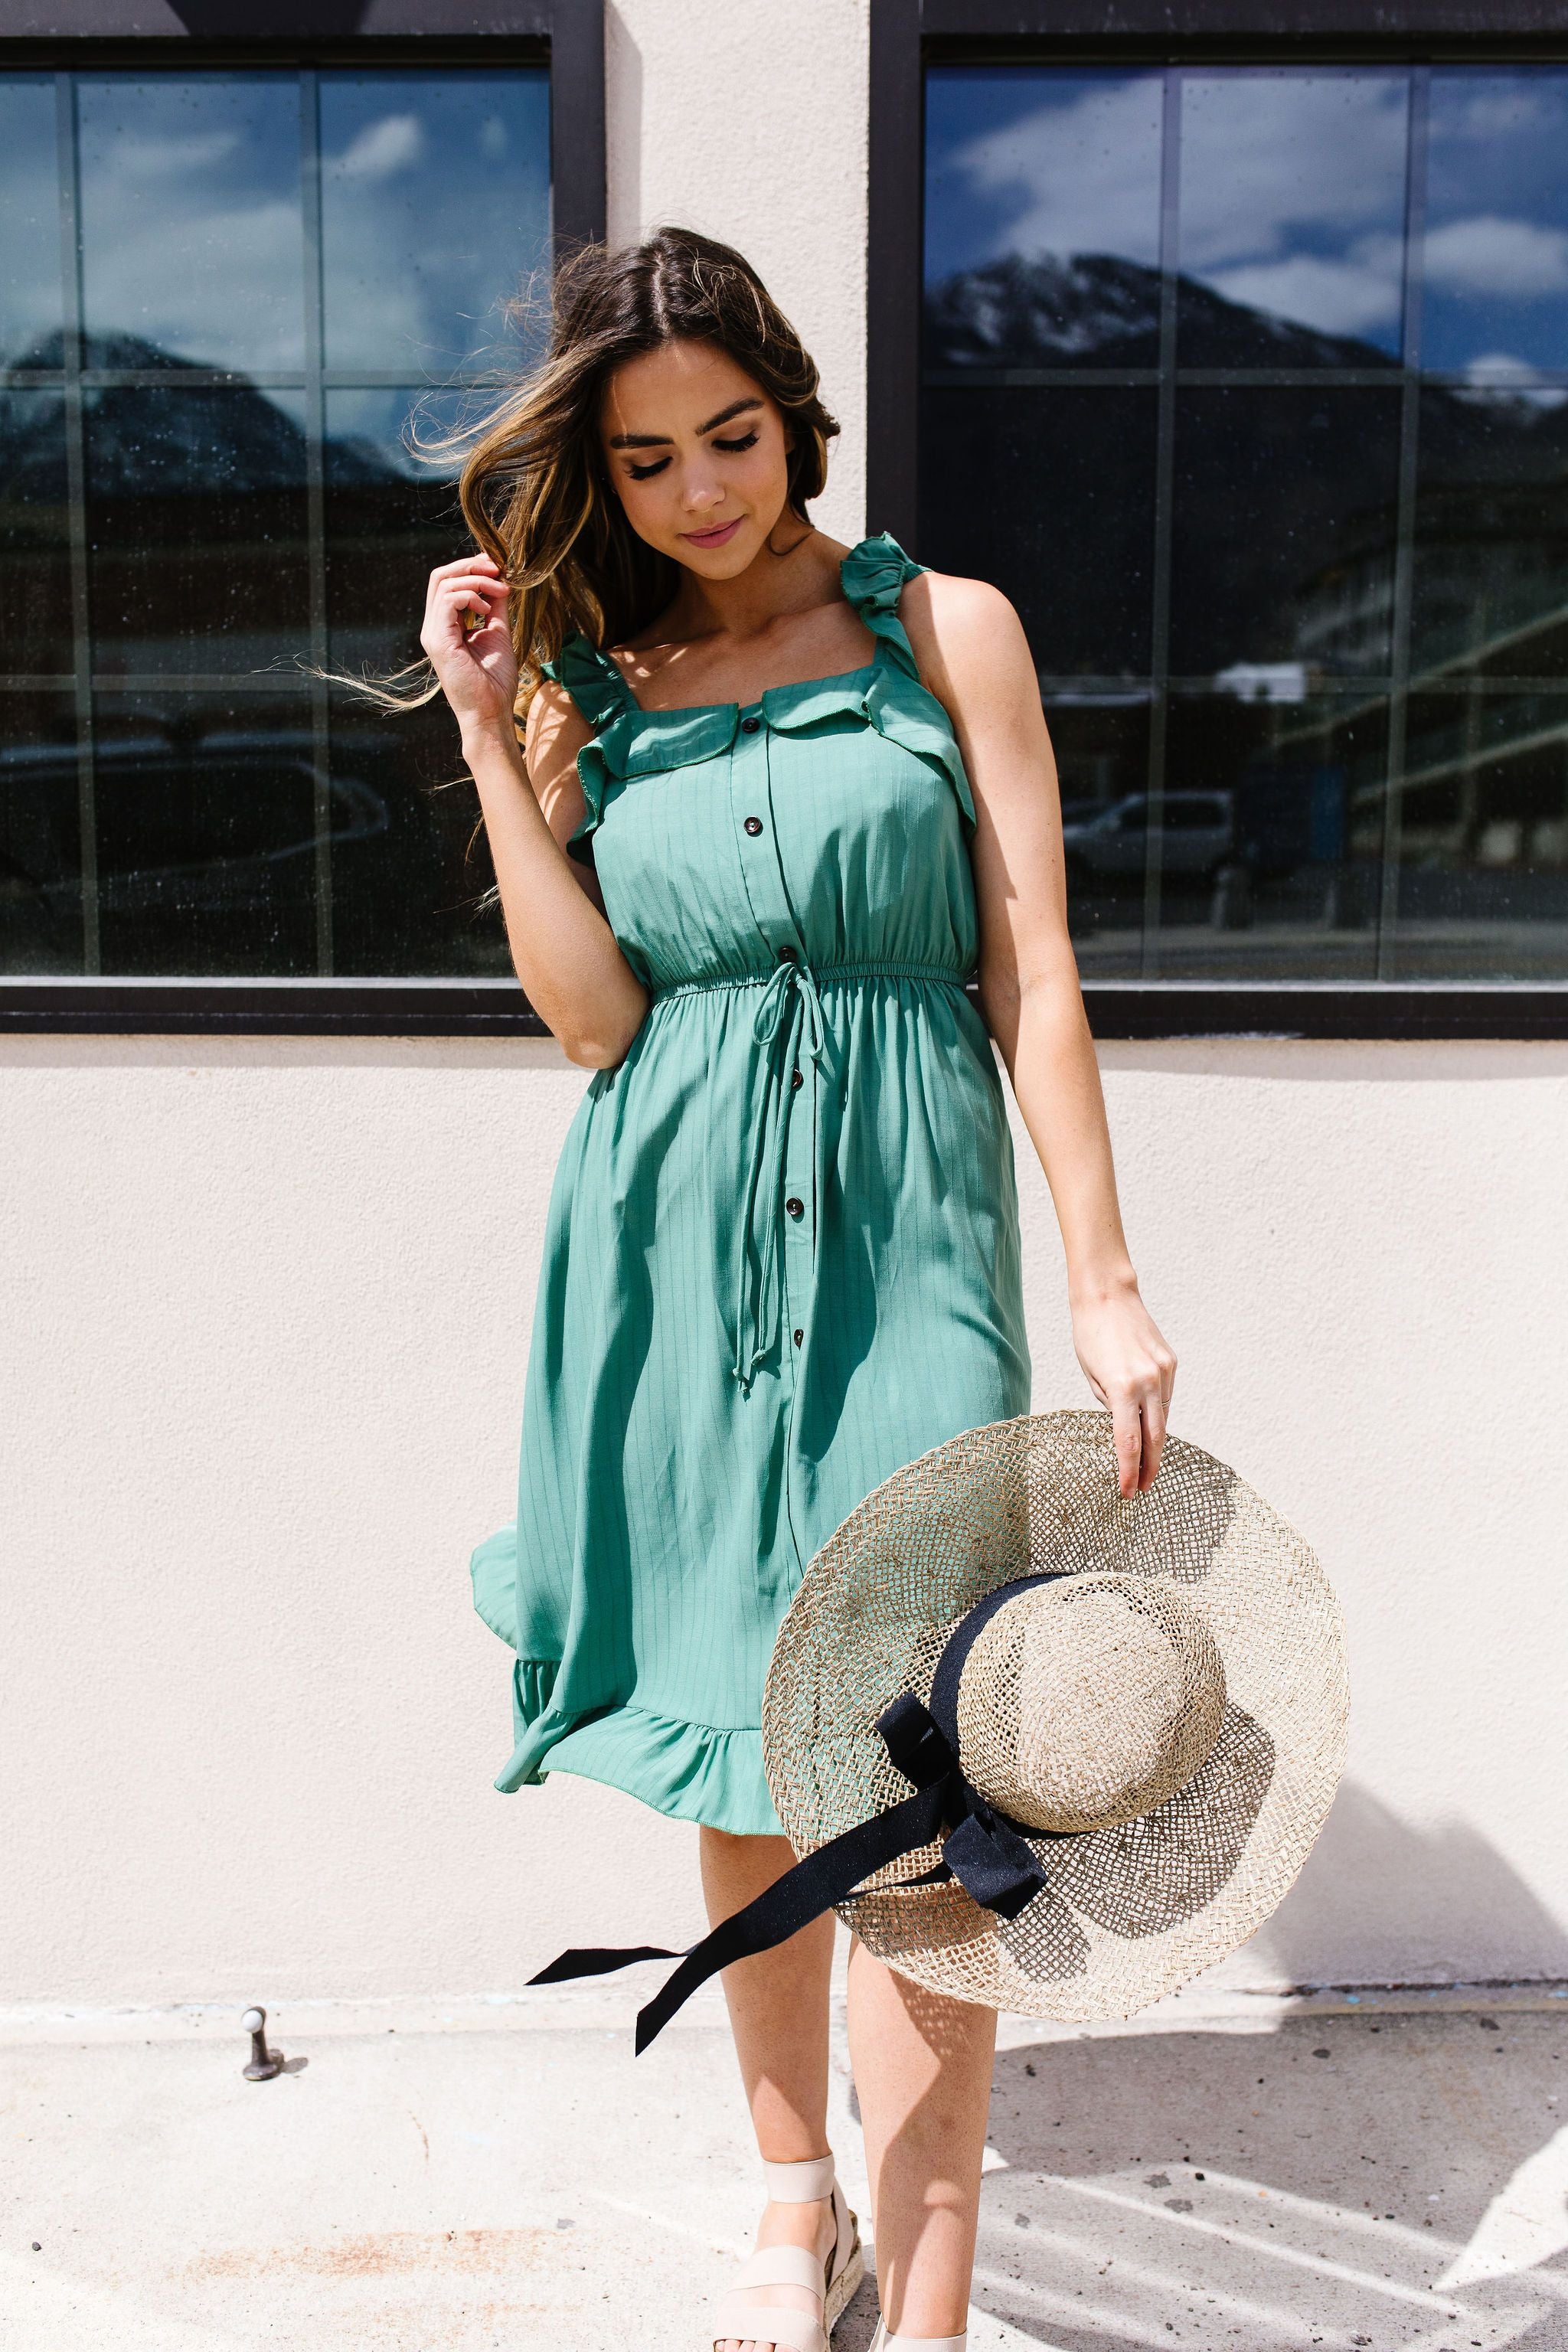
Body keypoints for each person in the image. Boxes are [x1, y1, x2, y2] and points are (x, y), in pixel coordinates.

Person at [421, 227, 1177, 2352]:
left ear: (797, 408)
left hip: (911, 1247)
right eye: (646, 461)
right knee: (749, 1757)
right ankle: (791, 2208)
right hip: (661, 1258)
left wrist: (1105, 1283)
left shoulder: (949, 631)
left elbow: (1026, 965)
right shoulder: (591, 684)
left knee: (922, 1767)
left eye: (730, 439)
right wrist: (494, 733)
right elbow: (592, 1025)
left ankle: (924, 2310)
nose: (699, 495)